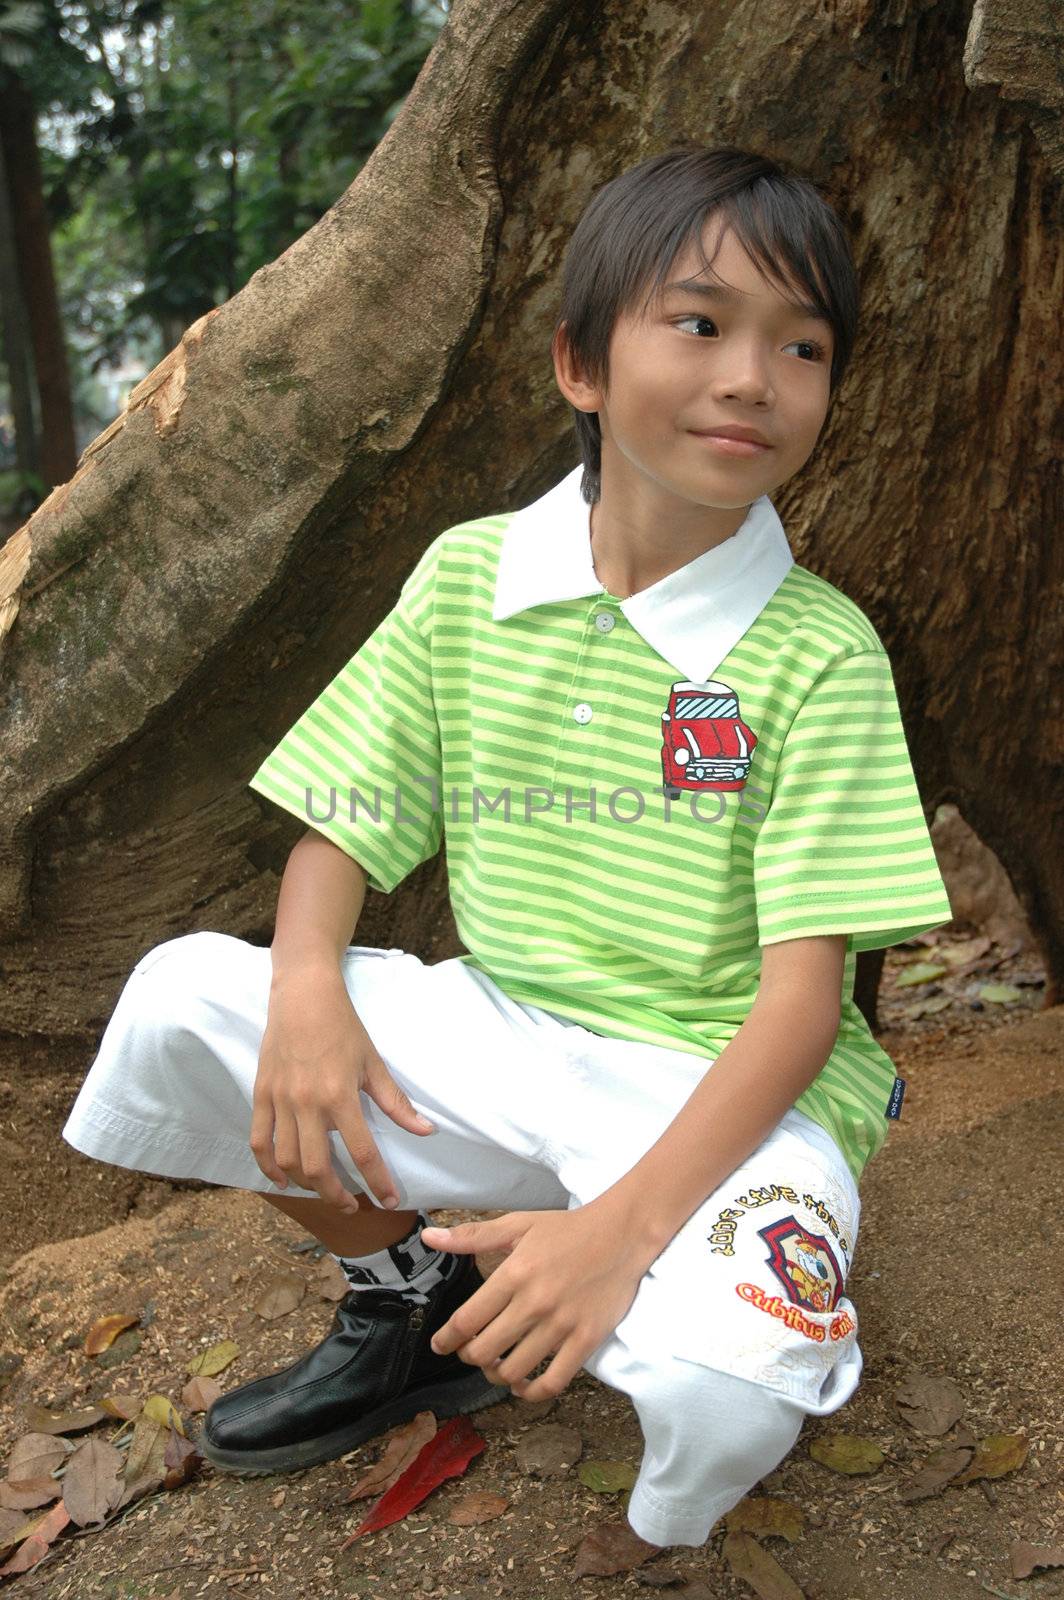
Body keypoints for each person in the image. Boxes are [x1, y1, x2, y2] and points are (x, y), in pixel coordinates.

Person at [61, 144, 953, 1550]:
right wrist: (303, 996)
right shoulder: (472, 576)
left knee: (729, 1397)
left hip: (728, 1091)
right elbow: (338, 826)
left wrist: (625, 1231)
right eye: (703, 321)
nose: (751, 379)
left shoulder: (818, 652)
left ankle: (691, 1350)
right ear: (579, 366)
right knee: (185, 998)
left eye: (805, 346)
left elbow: (802, 1007)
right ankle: (412, 1299)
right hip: (510, 1028)